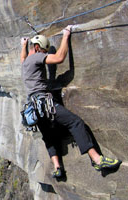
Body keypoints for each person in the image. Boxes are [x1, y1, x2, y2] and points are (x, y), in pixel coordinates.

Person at [20, 25, 121, 178]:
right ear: (37, 47)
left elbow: (22, 57)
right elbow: (59, 58)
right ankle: (97, 159)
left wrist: (23, 45)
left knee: (49, 137)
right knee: (75, 122)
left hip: (34, 109)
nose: (45, 54)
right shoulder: (36, 57)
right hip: (45, 104)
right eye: (44, 50)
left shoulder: (25, 62)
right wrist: (66, 35)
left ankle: (58, 168)